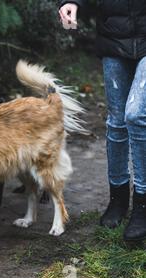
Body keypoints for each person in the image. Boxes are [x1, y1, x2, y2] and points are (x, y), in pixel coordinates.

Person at [59, 0, 146, 241]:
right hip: (113, 38)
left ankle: (142, 203)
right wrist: (71, 2)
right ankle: (117, 199)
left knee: (136, 114)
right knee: (117, 122)